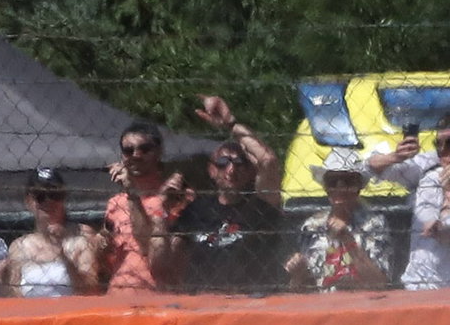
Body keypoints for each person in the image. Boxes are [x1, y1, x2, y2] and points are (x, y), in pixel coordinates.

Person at [173, 141, 286, 294]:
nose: (231, 170)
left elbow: (268, 161)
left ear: (250, 170)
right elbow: (170, 257)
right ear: (211, 170)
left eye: (240, 163)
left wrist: (232, 124)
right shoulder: (196, 209)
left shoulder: (259, 207)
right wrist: (161, 209)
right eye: (222, 163)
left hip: (244, 297)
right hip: (201, 297)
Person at [102, 121, 194, 293]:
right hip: (117, 294)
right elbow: (107, 257)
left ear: (158, 152)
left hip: (153, 296)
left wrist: (132, 194)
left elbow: (147, 247)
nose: (136, 155)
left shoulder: (176, 197)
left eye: (144, 149)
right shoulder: (115, 203)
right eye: (128, 151)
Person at [284, 148, 391, 292]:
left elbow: (379, 284)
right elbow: (300, 290)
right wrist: (299, 273)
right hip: (322, 306)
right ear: (326, 187)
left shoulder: (374, 224)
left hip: (363, 304)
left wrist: (348, 240)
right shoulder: (312, 226)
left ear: (358, 187)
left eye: (347, 182)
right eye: (333, 181)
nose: (339, 188)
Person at [366, 116, 450, 290]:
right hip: (419, 283)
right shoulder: (430, 165)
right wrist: (396, 156)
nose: (442, 151)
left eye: (449, 144)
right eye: (438, 144)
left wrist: (447, 193)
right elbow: (371, 167)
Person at [1, 168, 102, 297]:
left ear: (64, 197)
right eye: (40, 196)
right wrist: (4, 280)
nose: (48, 201)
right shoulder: (19, 246)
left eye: (55, 195)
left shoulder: (82, 236)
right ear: (28, 202)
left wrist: (64, 258)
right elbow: (13, 298)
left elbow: (91, 290)